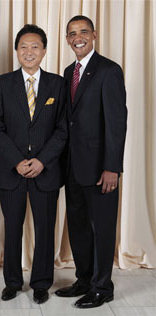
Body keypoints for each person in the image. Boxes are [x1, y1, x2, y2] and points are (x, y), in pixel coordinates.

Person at [0, 24, 67, 304]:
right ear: (16, 51)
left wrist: (42, 161)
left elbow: (62, 130)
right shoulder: (1, 84)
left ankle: (41, 283)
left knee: (45, 229)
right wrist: (17, 161)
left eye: (35, 46)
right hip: (12, 170)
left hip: (46, 171)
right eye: (23, 46)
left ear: (44, 50)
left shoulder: (58, 84)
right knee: (12, 228)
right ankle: (12, 282)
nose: (29, 51)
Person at [55, 15, 127, 308]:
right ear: (68, 40)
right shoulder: (67, 71)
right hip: (72, 166)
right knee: (79, 226)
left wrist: (113, 167)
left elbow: (116, 122)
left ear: (94, 35)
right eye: (72, 33)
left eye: (83, 31)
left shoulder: (109, 70)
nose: (78, 37)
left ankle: (102, 287)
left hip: (100, 169)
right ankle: (83, 279)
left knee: (102, 228)